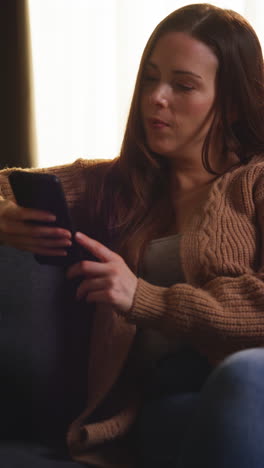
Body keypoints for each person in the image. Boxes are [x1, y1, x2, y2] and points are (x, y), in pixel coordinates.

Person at [1, 2, 264, 467]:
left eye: (183, 85)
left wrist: (144, 297)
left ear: (231, 101)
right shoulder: (117, 185)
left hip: (249, 390)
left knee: (244, 381)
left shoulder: (256, 184)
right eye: (150, 78)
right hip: (163, 407)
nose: (156, 98)